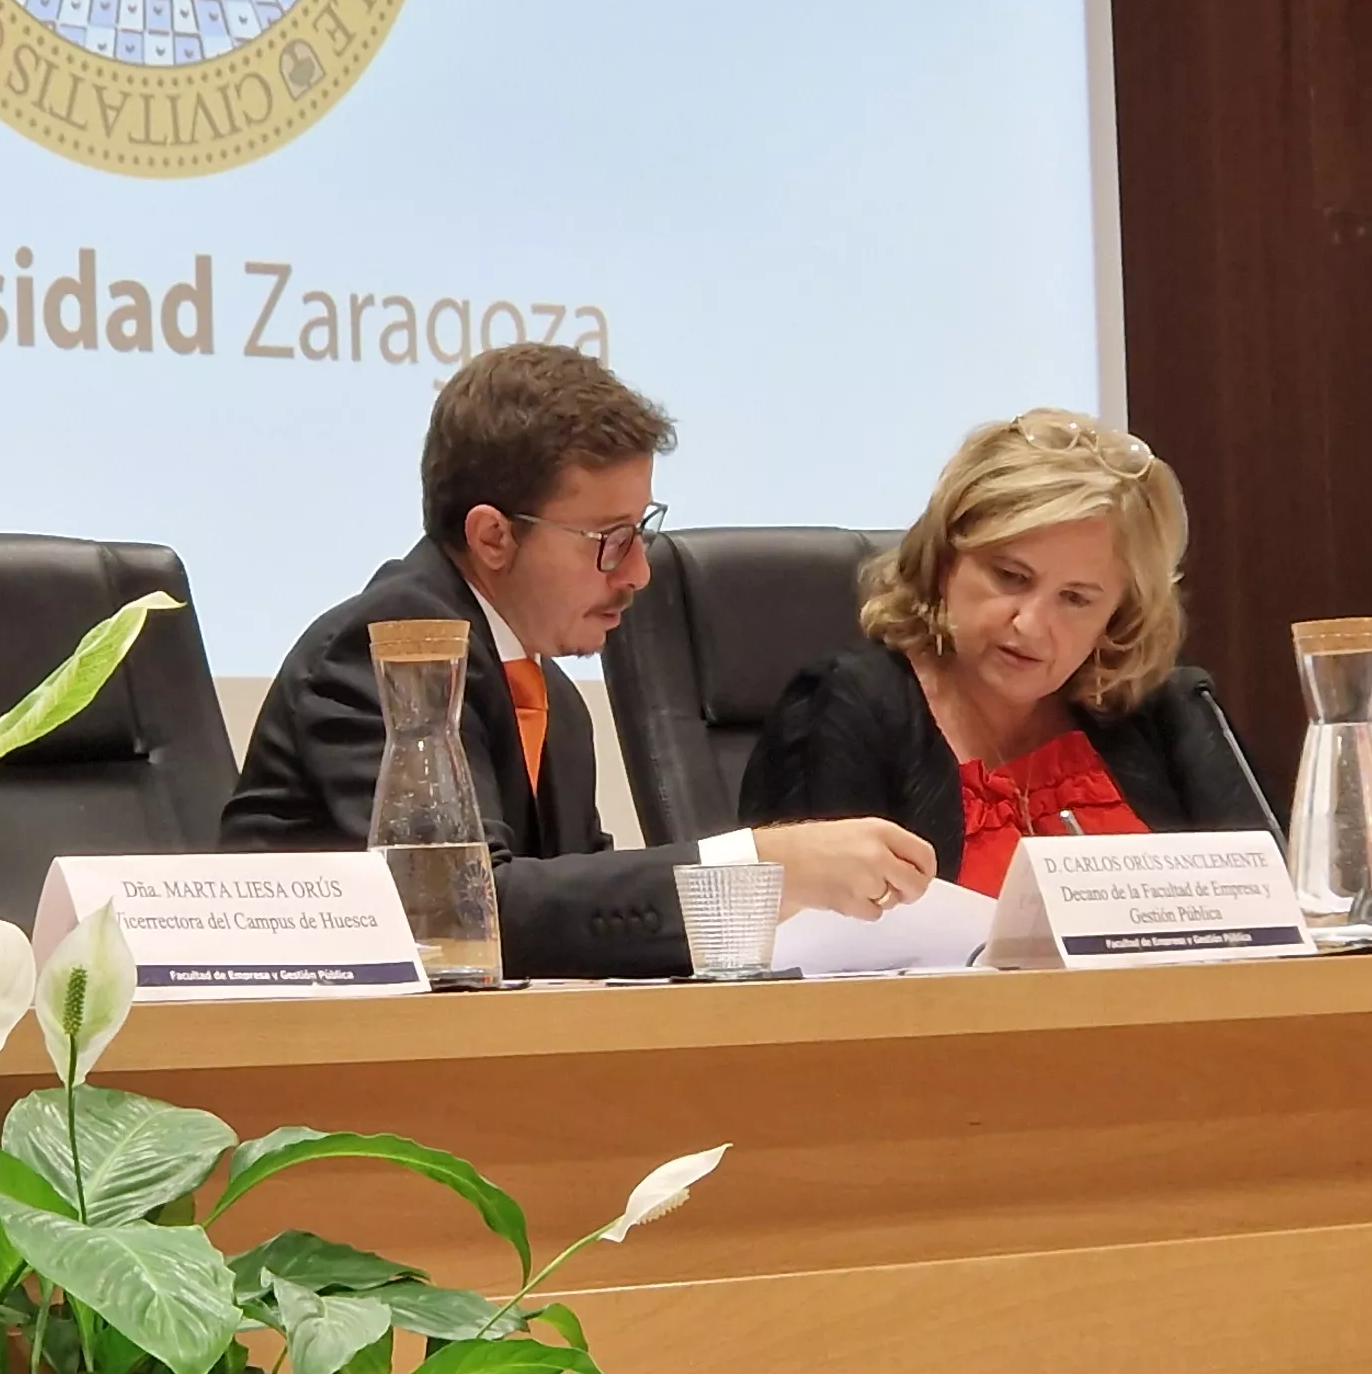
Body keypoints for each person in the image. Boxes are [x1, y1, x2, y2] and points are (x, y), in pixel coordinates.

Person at [220, 344, 936, 977]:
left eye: (641, 533)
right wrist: (762, 868)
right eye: (607, 538)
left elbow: (580, 902)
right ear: (493, 536)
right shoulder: (385, 651)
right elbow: (466, 917)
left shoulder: (550, 694)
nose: (638, 574)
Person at [738, 409, 1271, 895]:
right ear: (945, 559)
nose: (1032, 624)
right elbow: (804, 955)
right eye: (1011, 577)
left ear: (1118, 615)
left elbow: (1278, 915)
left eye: (1076, 599)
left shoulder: (1167, 712)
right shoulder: (849, 707)